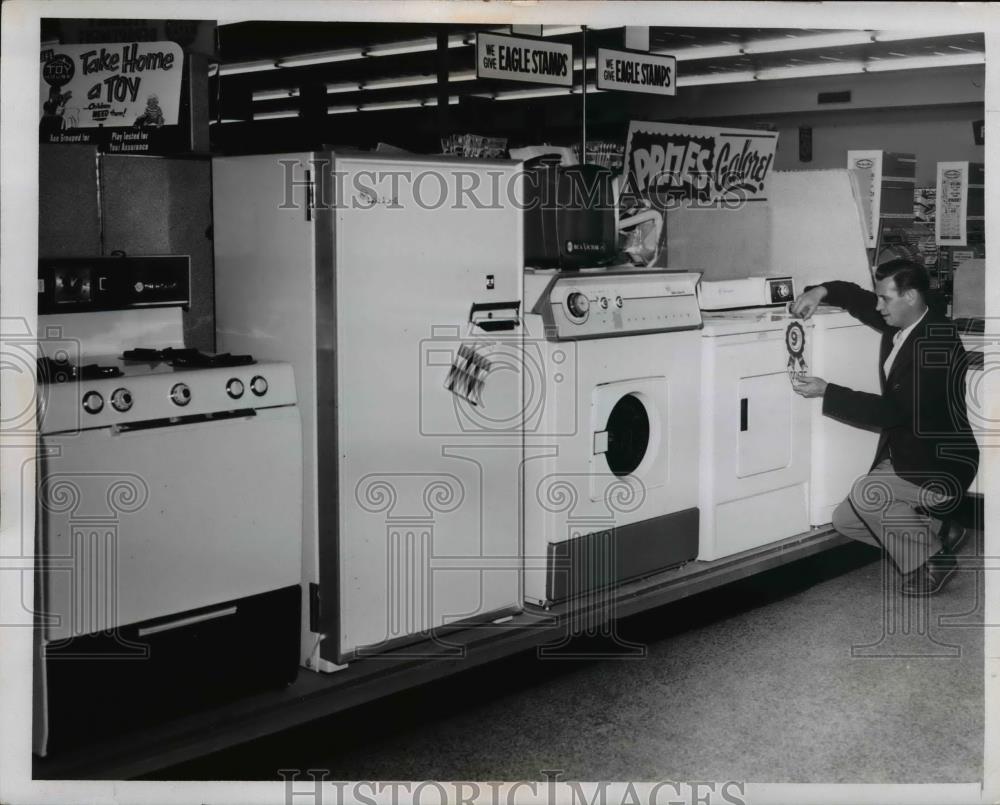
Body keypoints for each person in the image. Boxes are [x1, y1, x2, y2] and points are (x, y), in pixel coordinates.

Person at [789, 259, 978, 596]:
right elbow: (857, 298)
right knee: (845, 520)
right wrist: (820, 292)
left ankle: (933, 561)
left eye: (885, 299)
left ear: (910, 296)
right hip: (910, 453)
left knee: (866, 495)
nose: (878, 307)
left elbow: (893, 411)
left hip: (940, 463)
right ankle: (940, 530)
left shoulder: (936, 344)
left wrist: (827, 391)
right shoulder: (905, 319)